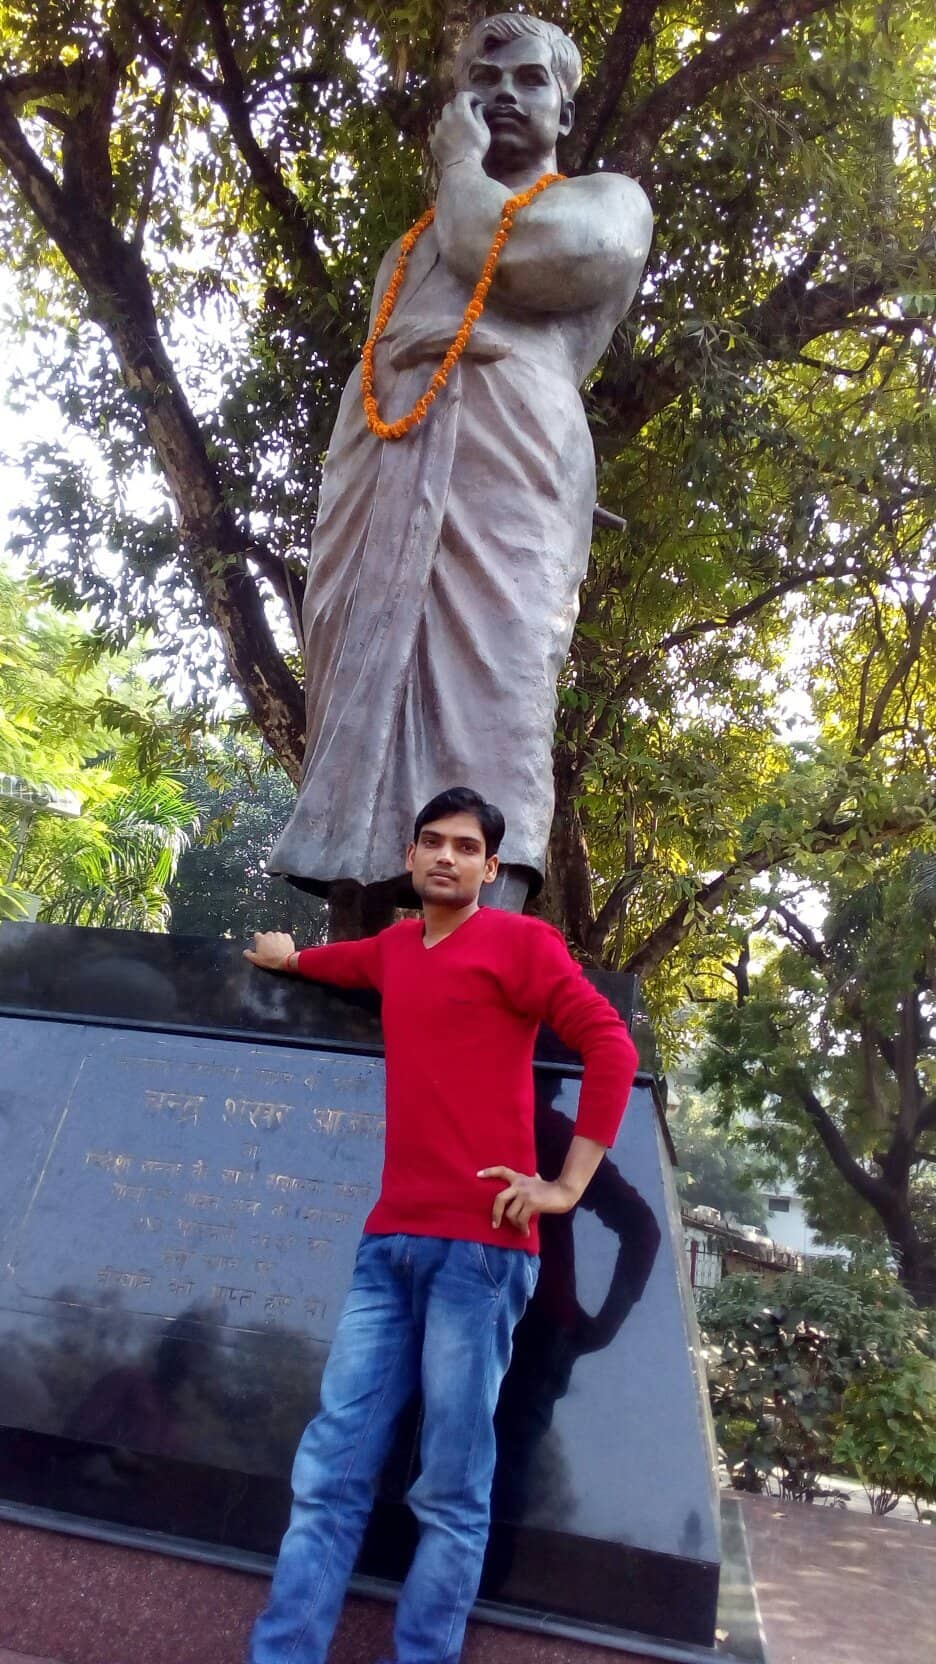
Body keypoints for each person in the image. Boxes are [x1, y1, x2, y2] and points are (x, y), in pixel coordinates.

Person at [244, 786, 638, 1664]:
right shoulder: (395, 948)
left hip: (483, 1254)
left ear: (491, 868)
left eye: (466, 847)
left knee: (451, 1490)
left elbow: (611, 1046)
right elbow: (341, 964)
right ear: (413, 855)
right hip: (386, 1248)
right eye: (432, 842)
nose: (446, 857)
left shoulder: (520, 943)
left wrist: (566, 1186)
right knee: (331, 1471)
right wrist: (289, 958)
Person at [268, 13, 653, 909]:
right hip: (382, 487)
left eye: (531, 80)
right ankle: (356, 916)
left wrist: (455, 168)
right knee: (368, 696)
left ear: (564, 106)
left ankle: (486, 922)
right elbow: (372, 372)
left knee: (494, 693)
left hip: (509, 483)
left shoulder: (604, 203)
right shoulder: (404, 254)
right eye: (489, 80)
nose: (508, 96)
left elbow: (499, 255)